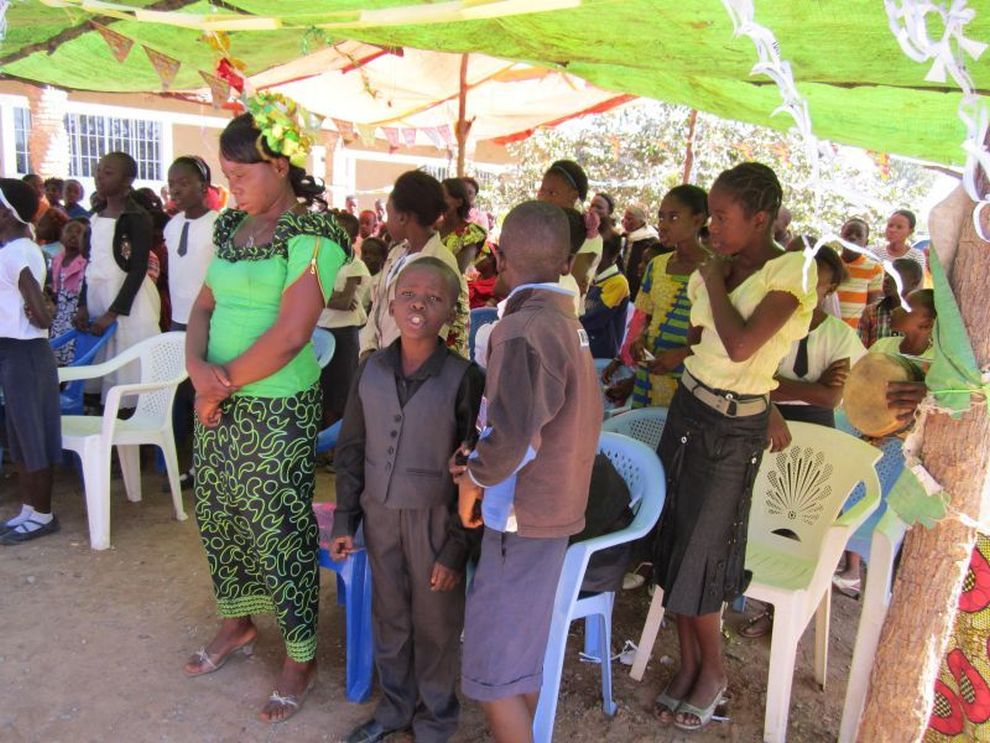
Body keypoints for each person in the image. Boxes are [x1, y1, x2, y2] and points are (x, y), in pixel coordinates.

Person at [182, 105, 351, 723]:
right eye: (226, 175)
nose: (233, 187)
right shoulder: (230, 228)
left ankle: (299, 657)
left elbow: (289, 334)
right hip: (216, 397)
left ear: (279, 166)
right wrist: (199, 373)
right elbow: (202, 306)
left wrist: (215, 387)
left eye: (242, 174)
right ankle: (237, 625)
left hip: (276, 406)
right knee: (220, 514)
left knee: (277, 526)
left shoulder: (315, 234)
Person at [651, 163, 817, 732]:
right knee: (674, 540)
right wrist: (710, 283)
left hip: (730, 429)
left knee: (703, 553)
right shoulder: (717, 269)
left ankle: (714, 672)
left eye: (722, 217)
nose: (712, 228)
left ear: (761, 217)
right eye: (712, 217)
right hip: (690, 408)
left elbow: (743, 347)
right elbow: (703, 340)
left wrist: (714, 275)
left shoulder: (791, 272)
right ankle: (690, 662)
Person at [453, 200, 602, 742]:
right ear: (566, 261)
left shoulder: (522, 329)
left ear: (499, 256)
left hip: (522, 514)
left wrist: (473, 479)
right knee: (519, 653)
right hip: (552, 511)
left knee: (493, 665)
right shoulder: (567, 322)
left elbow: (515, 434)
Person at [331, 257, 484, 743]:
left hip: (436, 520)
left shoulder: (464, 377)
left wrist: (456, 549)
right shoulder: (370, 368)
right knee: (390, 615)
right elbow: (352, 448)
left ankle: (435, 718)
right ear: (390, 302)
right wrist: (343, 521)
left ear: (451, 312)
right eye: (410, 294)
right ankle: (395, 707)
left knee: (436, 624)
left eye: (434, 298)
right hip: (379, 515)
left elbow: (473, 469)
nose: (419, 303)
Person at [832, 288, 936, 598]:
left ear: (926, 322)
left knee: (880, 514)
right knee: (845, 499)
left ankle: (872, 577)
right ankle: (841, 558)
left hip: (895, 450)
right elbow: (861, 385)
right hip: (861, 436)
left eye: (908, 306)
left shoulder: (935, 362)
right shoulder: (886, 345)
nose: (897, 308)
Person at [603, 185, 708, 408]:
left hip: (690, 384)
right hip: (648, 378)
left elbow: (721, 337)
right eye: (661, 217)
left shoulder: (716, 271)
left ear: (698, 220)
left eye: (674, 217)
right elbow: (647, 317)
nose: (663, 224)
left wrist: (681, 354)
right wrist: (640, 340)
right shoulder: (657, 265)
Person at [0, 178, 61, 544]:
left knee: (32, 434)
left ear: (8, 212)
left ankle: (42, 514)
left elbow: (40, 311)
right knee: (21, 435)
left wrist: (38, 313)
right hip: (16, 351)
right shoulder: (17, 248)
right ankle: (29, 508)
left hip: (26, 351)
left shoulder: (17, 252)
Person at [74, 152, 161, 401]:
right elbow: (91, 264)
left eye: (108, 172)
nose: (100, 176)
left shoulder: (136, 217)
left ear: (127, 180)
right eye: (99, 170)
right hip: (98, 298)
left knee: (126, 368)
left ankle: (129, 431)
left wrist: (113, 312)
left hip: (127, 303)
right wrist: (83, 305)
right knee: (100, 368)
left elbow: (137, 269)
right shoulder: (96, 214)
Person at [360, 170, 469, 359]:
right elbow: (379, 306)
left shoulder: (440, 262)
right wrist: (368, 349)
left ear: (402, 217)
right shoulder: (396, 253)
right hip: (382, 361)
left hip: (414, 371)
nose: (386, 220)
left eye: (388, 213)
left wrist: (394, 365)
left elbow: (433, 329)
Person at [316, 210, 371, 428]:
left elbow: (344, 303)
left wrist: (316, 295)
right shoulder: (321, 262)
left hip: (343, 334)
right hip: (319, 330)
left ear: (353, 238)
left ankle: (336, 443)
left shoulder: (354, 265)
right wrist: (332, 297)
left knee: (340, 391)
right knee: (321, 388)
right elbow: (336, 300)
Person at [536, 159, 602, 302]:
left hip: (562, 311)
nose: (544, 198)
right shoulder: (543, 226)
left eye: (552, 193)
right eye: (542, 191)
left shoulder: (589, 237)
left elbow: (573, 280)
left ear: (573, 196)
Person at [580, 236, 630, 358]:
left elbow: (595, 317)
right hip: (587, 348)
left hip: (602, 353)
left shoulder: (618, 283)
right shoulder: (593, 278)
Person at [858, 257, 923, 348]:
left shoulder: (925, 314)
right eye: (886, 275)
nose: (886, 280)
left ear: (914, 283)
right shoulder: (871, 312)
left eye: (894, 275)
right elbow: (860, 351)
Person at [49, 218, 89, 365]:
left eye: (78, 232)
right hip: (58, 315)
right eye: (69, 231)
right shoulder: (56, 260)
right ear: (61, 236)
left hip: (75, 313)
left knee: (72, 353)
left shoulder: (85, 263)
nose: (73, 235)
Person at [835, 217, 883, 330]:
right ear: (840, 237)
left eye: (859, 235)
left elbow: (870, 307)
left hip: (855, 331)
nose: (852, 237)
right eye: (848, 233)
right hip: (827, 328)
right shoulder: (831, 264)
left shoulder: (874, 268)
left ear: (866, 242)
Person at [439, 177, 487, 274]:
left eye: (444, 197)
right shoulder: (431, 228)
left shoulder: (471, 233)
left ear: (459, 202)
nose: (438, 202)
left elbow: (458, 269)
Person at [621, 204, 661, 301]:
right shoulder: (628, 237)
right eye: (625, 218)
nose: (625, 222)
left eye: (630, 219)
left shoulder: (650, 240)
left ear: (641, 221)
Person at [357, 236, 387, 314]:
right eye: (365, 253)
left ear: (383, 258)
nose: (367, 257)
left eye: (373, 254)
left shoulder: (382, 281)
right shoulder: (355, 275)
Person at [468, 243, 499, 309]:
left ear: (491, 258)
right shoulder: (473, 277)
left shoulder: (498, 286)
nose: (474, 260)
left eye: (478, 255)